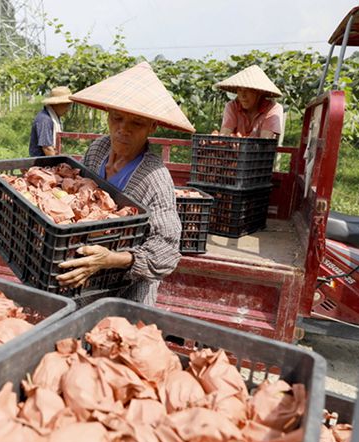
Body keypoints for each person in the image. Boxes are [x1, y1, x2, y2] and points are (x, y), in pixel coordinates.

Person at [56, 61, 195, 306]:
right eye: (117, 118)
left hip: (126, 298)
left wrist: (111, 259)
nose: (123, 129)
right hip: (81, 282)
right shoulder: (98, 149)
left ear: (153, 126)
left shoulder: (155, 178)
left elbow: (167, 253)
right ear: (108, 114)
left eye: (137, 123)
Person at [215, 65, 284, 139]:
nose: (242, 95)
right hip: (235, 149)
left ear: (259, 92)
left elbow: (265, 140)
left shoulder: (273, 108)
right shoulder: (232, 106)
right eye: (240, 90)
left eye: (248, 90)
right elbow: (224, 135)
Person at [28, 86, 73, 156]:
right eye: (66, 105)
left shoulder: (54, 118)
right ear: (57, 104)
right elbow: (47, 147)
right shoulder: (45, 120)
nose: (68, 109)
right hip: (41, 163)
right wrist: (58, 164)